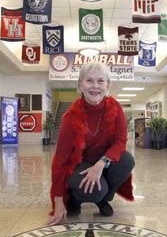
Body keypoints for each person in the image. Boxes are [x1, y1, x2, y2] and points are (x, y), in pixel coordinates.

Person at [48, 62, 135, 226]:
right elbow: (61, 159)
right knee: (95, 190)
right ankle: (74, 199)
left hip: (105, 161)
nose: (95, 86)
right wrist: (58, 200)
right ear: (80, 85)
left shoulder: (115, 108)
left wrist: (102, 163)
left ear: (108, 85)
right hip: (79, 164)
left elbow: (121, 141)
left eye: (101, 81)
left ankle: (103, 200)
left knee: (127, 160)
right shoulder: (70, 117)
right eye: (89, 81)